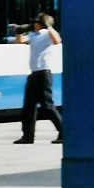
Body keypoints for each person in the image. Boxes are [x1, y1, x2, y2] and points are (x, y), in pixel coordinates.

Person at [13, 13, 64, 144]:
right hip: (34, 74)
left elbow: (57, 40)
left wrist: (49, 27)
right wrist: (19, 31)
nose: (33, 24)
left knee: (47, 106)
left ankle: (64, 132)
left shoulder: (47, 33)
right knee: (28, 107)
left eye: (36, 22)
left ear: (40, 23)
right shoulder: (34, 35)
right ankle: (27, 136)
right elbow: (20, 41)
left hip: (44, 74)